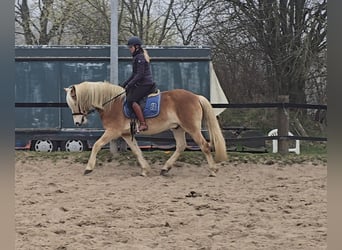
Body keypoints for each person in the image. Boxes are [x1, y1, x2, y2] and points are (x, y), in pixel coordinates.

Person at [120, 36, 156, 132]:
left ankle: (143, 123)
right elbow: (134, 74)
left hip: (146, 84)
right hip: (142, 83)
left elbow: (140, 75)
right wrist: (124, 84)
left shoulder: (140, 58)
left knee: (132, 100)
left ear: (136, 47)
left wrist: (130, 85)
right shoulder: (137, 57)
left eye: (131, 47)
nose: (130, 50)